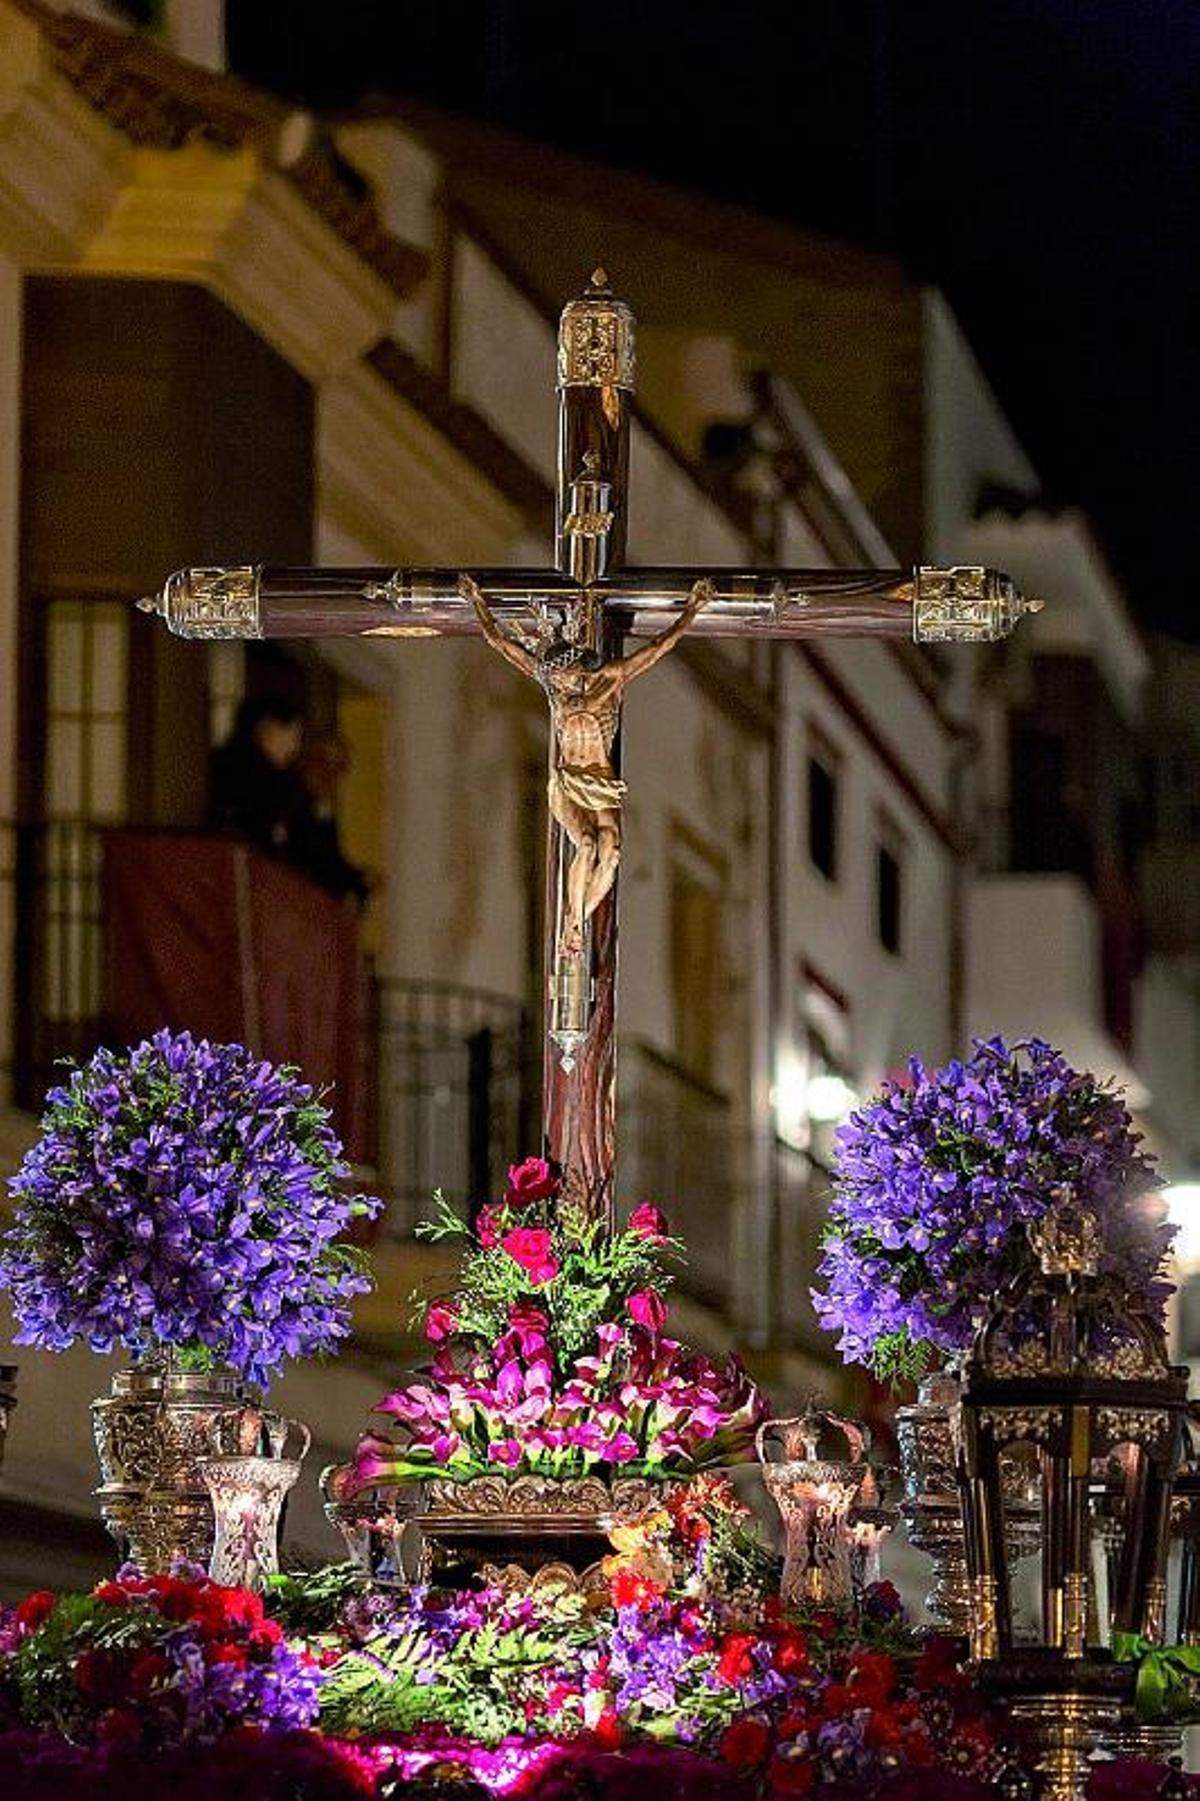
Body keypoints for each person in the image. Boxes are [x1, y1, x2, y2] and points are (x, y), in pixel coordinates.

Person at [462, 575, 712, 954]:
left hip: (600, 783)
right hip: (567, 781)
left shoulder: (609, 680)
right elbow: (502, 644)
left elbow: (657, 648)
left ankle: (575, 920)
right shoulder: (555, 691)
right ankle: (574, 926)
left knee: (610, 851)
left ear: (579, 668)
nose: (561, 685)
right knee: (587, 843)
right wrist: (477, 602)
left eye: (565, 677)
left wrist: (692, 608)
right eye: (557, 680)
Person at [209, 695, 307, 856]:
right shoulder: (236, 772)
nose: (293, 746)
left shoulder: (286, 779)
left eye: (297, 738)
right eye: (289, 733)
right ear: (263, 728)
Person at [291, 733, 371, 905]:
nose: (331, 777)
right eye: (326, 765)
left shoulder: (324, 808)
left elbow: (330, 859)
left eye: (338, 770)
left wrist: (359, 879)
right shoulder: (291, 801)